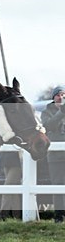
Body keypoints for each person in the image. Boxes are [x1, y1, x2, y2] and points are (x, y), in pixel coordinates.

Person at [42, 86, 65, 222]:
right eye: (58, 95)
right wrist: (61, 112)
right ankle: (59, 216)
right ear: (53, 97)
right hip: (55, 157)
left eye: (63, 94)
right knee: (57, 185)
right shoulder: (46, 112)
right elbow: (48, 126)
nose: (61, 97)